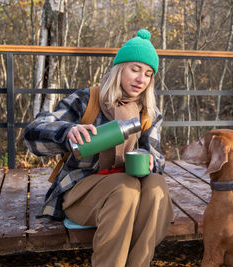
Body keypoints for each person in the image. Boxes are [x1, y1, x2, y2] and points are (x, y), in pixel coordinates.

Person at [24, 29, 174, 267]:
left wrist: (150, 160)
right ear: (119, 68)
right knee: (125, 189)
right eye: (135, 69)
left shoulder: (149, 113)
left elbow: (157, 158)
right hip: (83, 190)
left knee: (157, 186)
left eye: (148, 73)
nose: (141, 79)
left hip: (130, 186)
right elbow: (33, 133)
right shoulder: (87, 100)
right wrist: (66, 132)